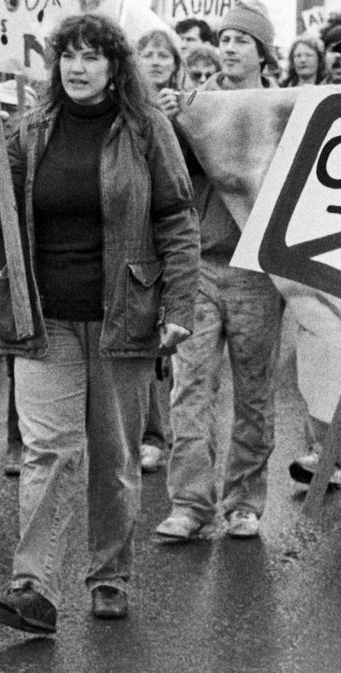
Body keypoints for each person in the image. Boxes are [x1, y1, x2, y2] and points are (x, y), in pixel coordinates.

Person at [0, 12, 198, 632]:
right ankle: (33, 587)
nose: (78, 66)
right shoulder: (31, 128)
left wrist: (180, 308)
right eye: (67, 55)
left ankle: (109, 575)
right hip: (43, 317)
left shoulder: (147, 127)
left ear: (113, 66)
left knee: (113, 455)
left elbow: (177, 219)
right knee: (49, 450)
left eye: (91, 55)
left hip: (124, 313)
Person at [154, 1, 285, 543]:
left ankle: (243, 502)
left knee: (254, 392)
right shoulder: (194, 106)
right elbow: (168, 173)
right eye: (224, 38)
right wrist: (169, 119)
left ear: (262, 53)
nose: (229, 48)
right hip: (201, 267)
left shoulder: (283, 109)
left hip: (258, 270)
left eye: (241, 40)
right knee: (190, 387)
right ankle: (189, 503)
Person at [135, 29, 184, 474]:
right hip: (128, 239)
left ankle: (156, 433)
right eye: (145, 54)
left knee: (159, 348)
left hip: (163, 239)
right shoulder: (123, 107)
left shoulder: (186, 106)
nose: (153, 61)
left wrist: (178, 122)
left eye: (161, 54)